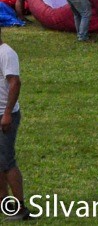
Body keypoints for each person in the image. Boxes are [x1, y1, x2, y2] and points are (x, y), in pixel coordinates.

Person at [0, 24, 28, 219]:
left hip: (4, 115)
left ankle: (20, 208)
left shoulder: (6, 53)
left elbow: (15, 83)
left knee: (7, 161)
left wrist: (8, 113)